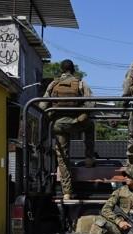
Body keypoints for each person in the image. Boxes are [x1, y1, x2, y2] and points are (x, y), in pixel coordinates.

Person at [39, 59, 95, 200]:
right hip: (76, 122)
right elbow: (91, 103)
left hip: (58, 125)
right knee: (90, 125)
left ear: (61, 70)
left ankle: (67, 193)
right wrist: (83, 115)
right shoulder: (80, 83)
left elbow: (42, 106)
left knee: (63, 158)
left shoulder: (53, 84)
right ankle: (88, 157)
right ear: (73, 70)